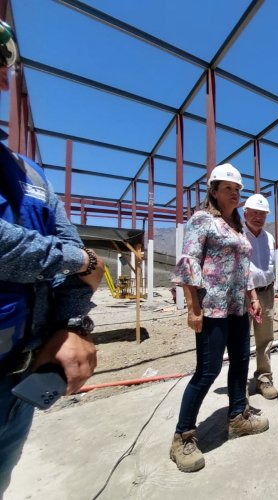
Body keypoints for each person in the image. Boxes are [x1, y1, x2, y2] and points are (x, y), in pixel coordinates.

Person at [0, 20, 102, 494]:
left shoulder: (31, 175)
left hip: (20, 379)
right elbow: (78, 259)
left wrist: (71, 324)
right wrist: (73, 261)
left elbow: (82, 259)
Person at [170, 163, 268, 473]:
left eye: (238, 190)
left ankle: (238, 418)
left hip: (238, 308)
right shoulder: (203, 220)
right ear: (213, 191)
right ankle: (182, 436)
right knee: (208, 370)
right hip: (212, 308)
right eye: (229, 189)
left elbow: (243, 269)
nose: (235, 194)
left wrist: (252, 298)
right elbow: (188, 262)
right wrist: (192, 306)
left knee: (241, 363)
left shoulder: (236, 226)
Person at [243, 193, 278, 399]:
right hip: (243, 294)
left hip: (266, 293)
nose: (258, 217)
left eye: (262, 214)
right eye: (254, 213)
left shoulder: (269, 238)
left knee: (265, 337)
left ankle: (264, 377)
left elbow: (269, 265)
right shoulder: (238, 235)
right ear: (245, 213)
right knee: (240, 339)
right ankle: (239, 384)